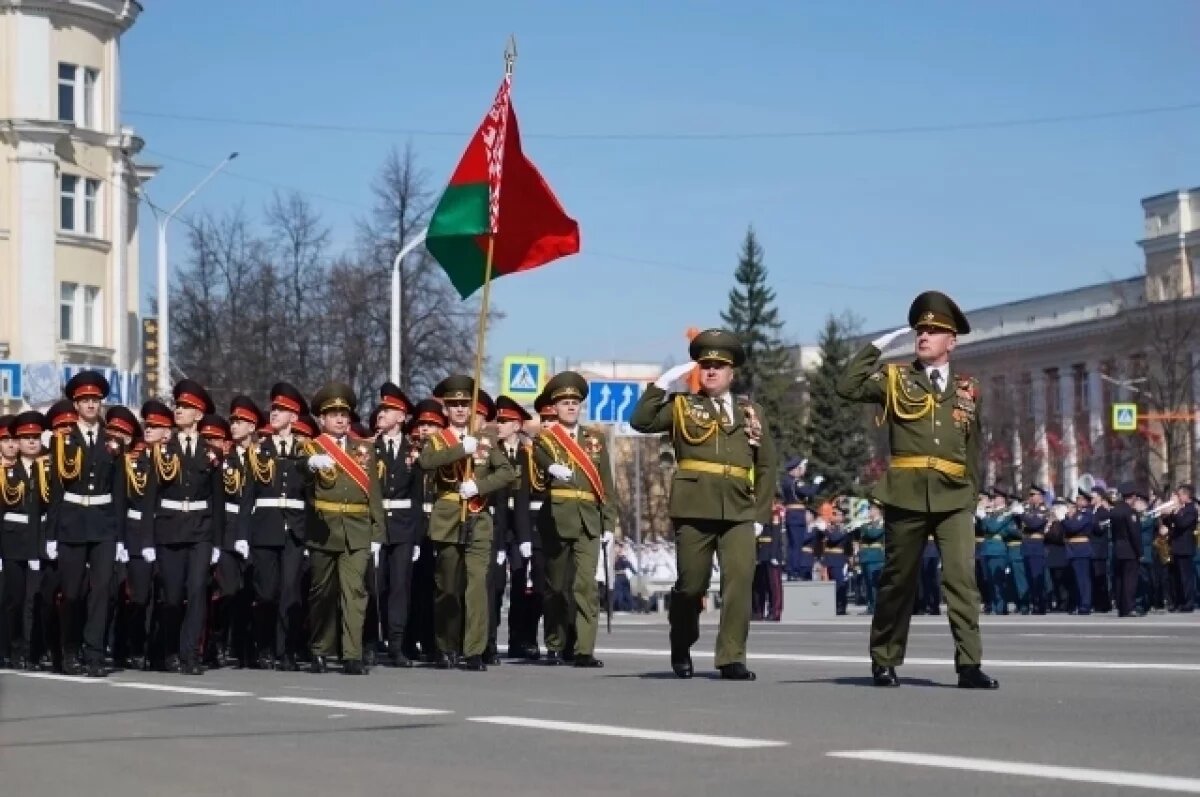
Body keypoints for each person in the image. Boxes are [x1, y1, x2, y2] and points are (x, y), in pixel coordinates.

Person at [835, 291, 997, 689]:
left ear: (951, 341)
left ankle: (969, 664)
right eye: (920, 330)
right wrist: (876, 346)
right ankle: (885, 658)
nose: (924, 336)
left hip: (954, 495)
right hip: (906, 493)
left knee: (961, 578)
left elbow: (973, 446)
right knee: (898, 579)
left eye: (934, 330)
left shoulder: (967, 389)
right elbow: (846, 385)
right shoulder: (895, 379)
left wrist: (973, 491)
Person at [630, 329, 777, 681]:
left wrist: (760, 514)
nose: (711, 372)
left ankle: (731, 657)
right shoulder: (682, 406)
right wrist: (661, 385)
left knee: (739, 583)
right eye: (705, 365)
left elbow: (768, 464)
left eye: (718, 366)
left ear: (731, 373)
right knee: (691, 586)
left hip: (740, 509)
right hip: (695, 507)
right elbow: (641, 421)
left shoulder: (750, 411)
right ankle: (681, 643)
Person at [417, 375, 514, 671]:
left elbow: (507, 472)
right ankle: (446, 646)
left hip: (478, 515)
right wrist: (462, 449)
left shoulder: (486, 440)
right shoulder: (436, 439)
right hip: (447, 516)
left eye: (464, 405)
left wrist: (480, 487)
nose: (460, 409)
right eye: (454, 405)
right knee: (447, 587)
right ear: (445, 409)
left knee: (476, 585)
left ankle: (474, 650)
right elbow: (426, 463)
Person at [531, 372, 616, 669]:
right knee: (556, 587)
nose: (570, 407)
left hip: (589, 520)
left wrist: (610, 524)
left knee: (585, 587)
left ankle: (584, 649)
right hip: (557, 517)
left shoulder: (595, 440)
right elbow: (537, 467)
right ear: (555, 407)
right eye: (565, 402)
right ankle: (555, 642)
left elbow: (606, 484)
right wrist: (550, 467)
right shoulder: (545, 439)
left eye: (575, 402)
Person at [47, 370, 128, 676]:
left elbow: (119, 490)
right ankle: (70, 650)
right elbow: (55, 488)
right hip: (71, 522)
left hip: (104, 523)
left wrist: (120, 537)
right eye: (85, 400)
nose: (91, 405)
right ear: (76, 405)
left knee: (102, 589)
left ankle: (94, 653)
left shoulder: (114, 442)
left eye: (95, 400)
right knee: (72, 592)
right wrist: (51, 534)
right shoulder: (63, 441)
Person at [303, 382, 385, 674]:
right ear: (321, 419)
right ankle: (321, 650)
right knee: (322, 593)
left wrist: (378, 531)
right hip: (323, 530)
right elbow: (297, 477)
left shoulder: (363, 449)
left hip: (357, 529)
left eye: (343, 413)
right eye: (332, 414)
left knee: (355, 592)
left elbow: (373, 491)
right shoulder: (310, 448)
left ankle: (352, 654)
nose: (339, 419)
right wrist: (308, 464)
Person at [240, 382, 311, 671]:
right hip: (265, 528)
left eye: (282, 410)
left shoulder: (306, 451)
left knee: (291, 592)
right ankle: (264, 645)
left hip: (294, 529)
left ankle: (287, 650)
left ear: (294, 418)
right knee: (266, 592)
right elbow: (248, 495)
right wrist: (242, 534)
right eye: (274, 409)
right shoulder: (258, 451)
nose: (274, 413)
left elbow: (310, 496)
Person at [371, 381, 424, 668]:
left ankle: (396, 644)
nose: (382, 413)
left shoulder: (412, 450)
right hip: (376, 525)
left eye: (389, 409)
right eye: (382, 407)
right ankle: (370, 641)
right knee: (375, 585)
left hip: (403, 526)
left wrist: (416, 537)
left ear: (401, 417)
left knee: (400, 587)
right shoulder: (369, 448)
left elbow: (417, 497)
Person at [1110, 482, 1142, 617]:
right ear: (1132, 496)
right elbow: (1134, 533)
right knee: (1130, 580)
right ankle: (1129, 607)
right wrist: (1139, 551)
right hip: (1129, 550)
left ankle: (1121, 607)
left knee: (1119, 579)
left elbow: (1113, 531)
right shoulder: (1130, 512)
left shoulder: (1115, 510)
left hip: (1118, 548)